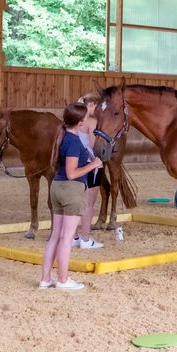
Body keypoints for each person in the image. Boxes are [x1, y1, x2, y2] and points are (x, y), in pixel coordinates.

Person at [40, 102, 102, 291]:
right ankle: (63, 280)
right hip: (71, 189)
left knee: (55, 237)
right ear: (81, 122)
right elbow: (72, 172)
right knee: (66, 238)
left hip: (57, 188)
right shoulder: (74, 142)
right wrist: (94, 164)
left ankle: (45, 278)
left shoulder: (63, 136)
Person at [73, 93, 104, 251]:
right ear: (91, 106)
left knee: (76, 202)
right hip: (91, 165)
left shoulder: (73, 121)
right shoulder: (92, 121)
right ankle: (85, 237)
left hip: (74, 164)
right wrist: (99, 161)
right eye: (96, 106)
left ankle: (75, 236)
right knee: (89, 204)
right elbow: (95, 146)